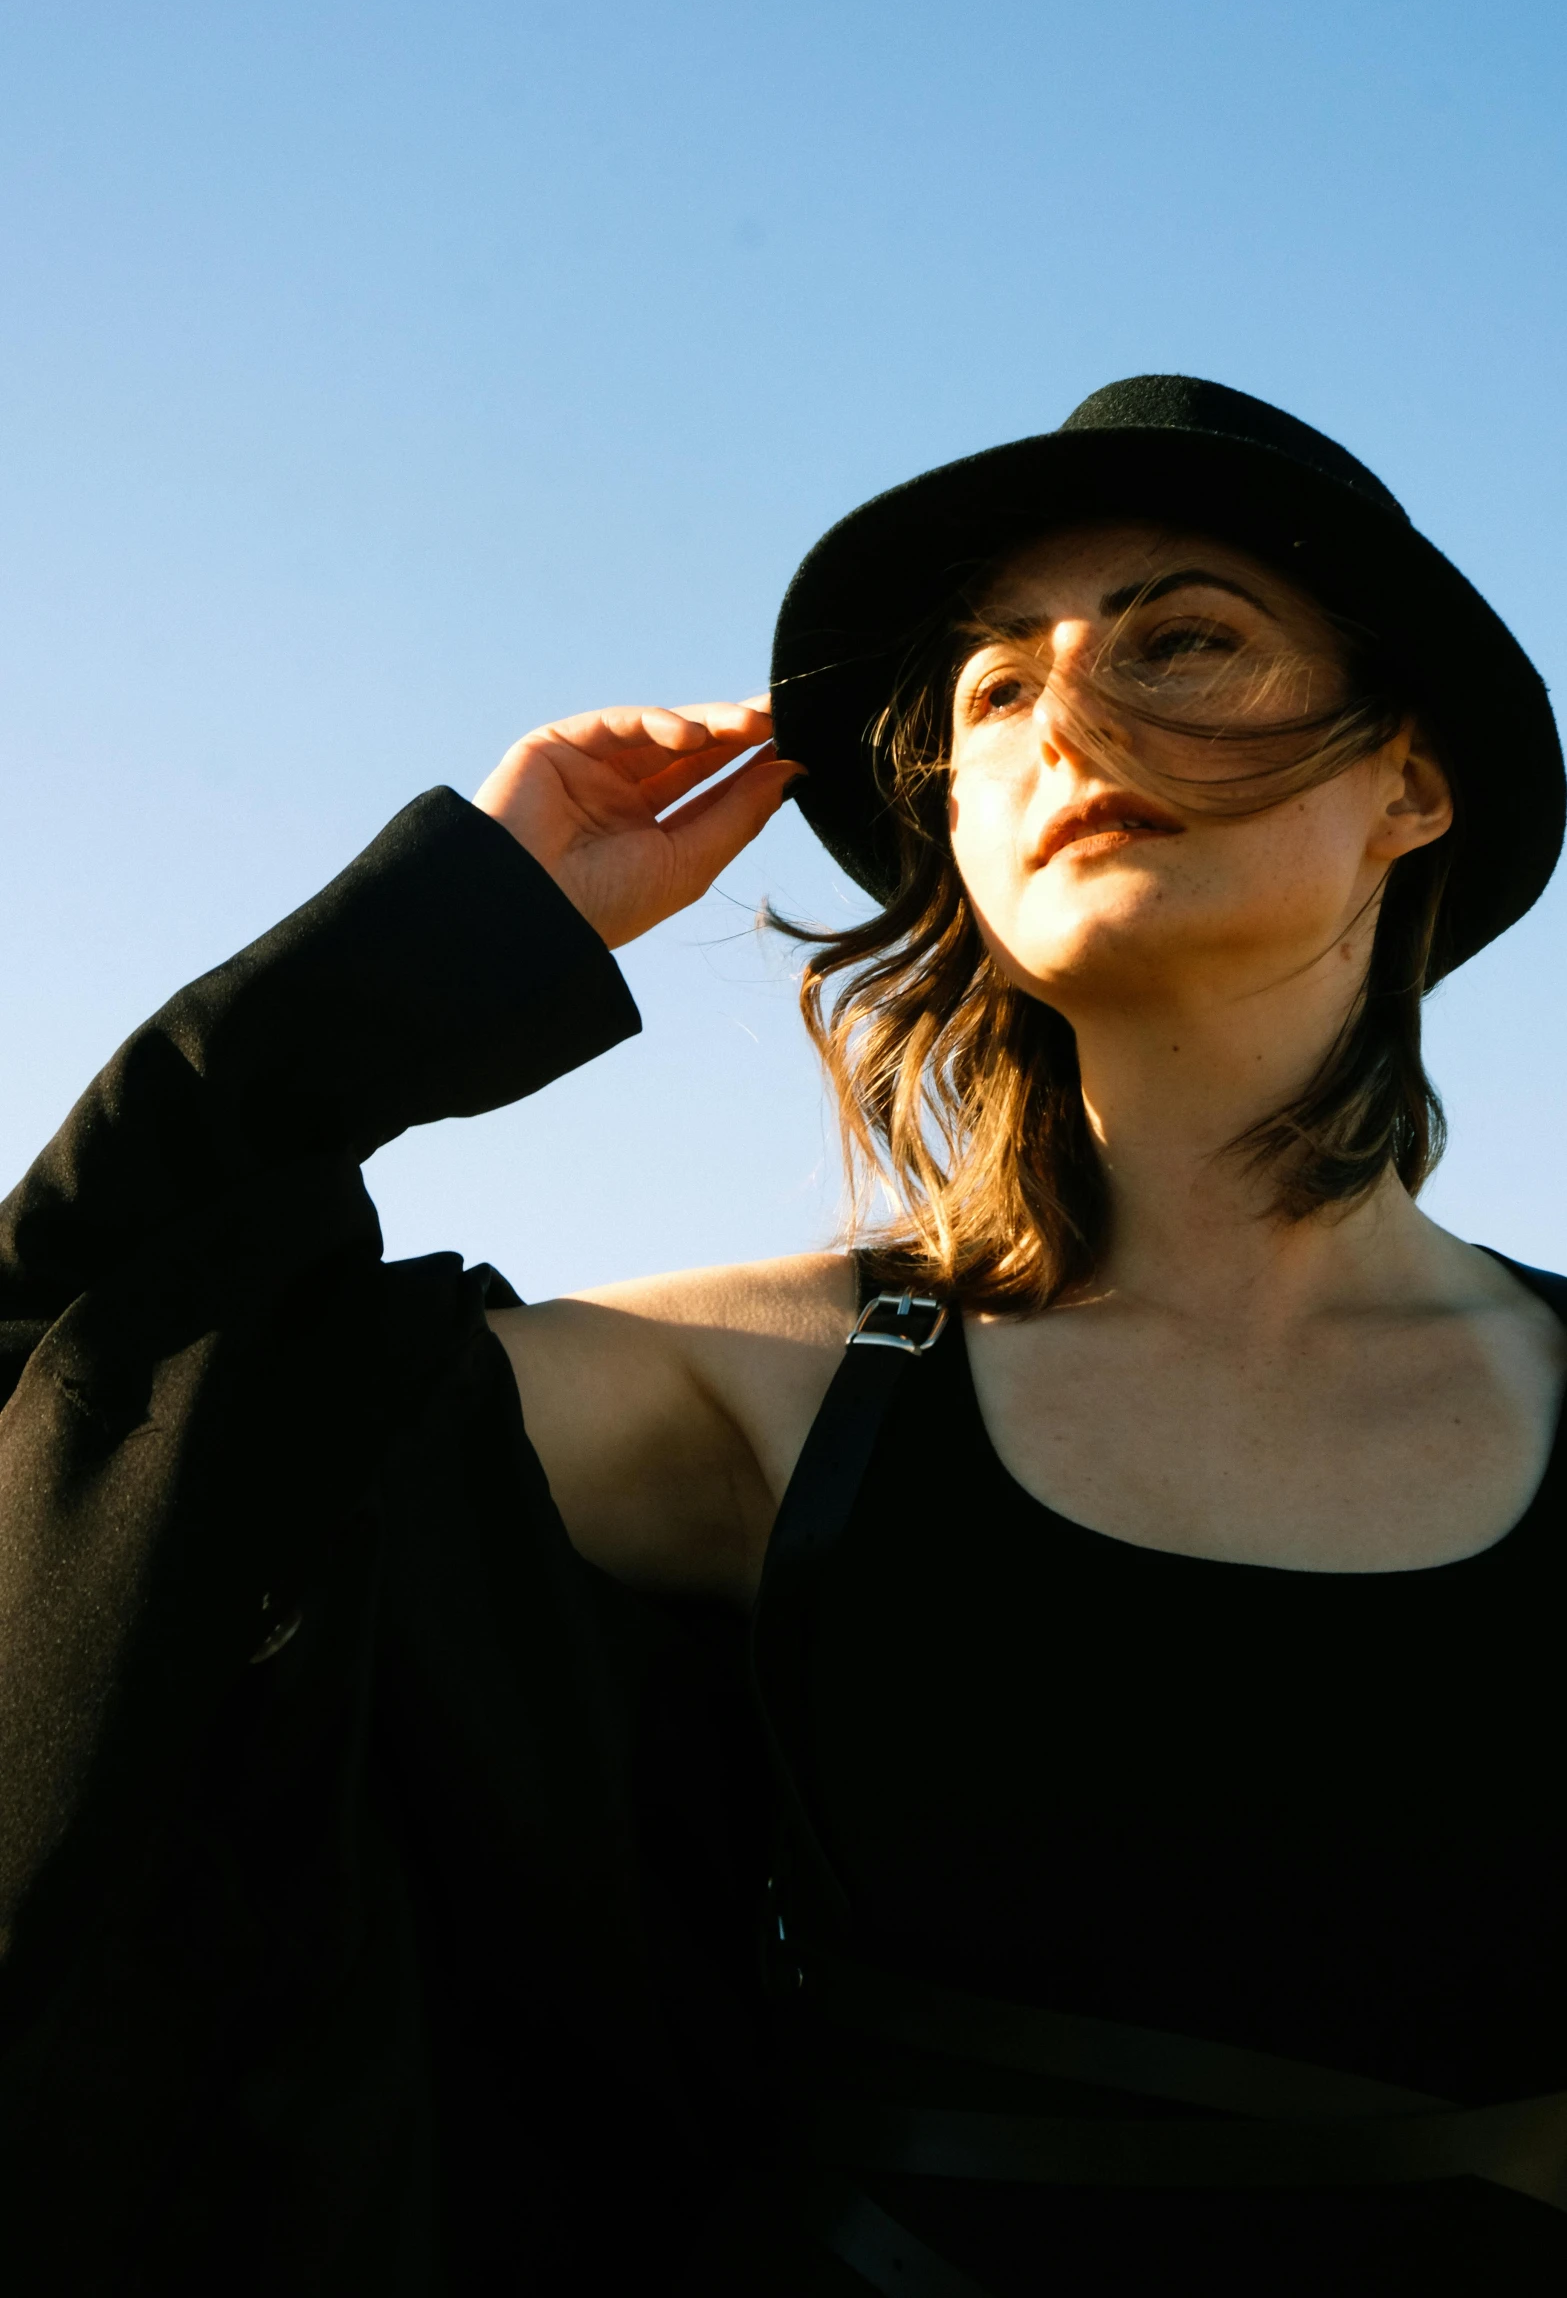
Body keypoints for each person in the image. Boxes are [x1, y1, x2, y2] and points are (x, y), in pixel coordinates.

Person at [1, 375, 1564, 2295]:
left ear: (1410, 779)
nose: (1070, 709)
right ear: (950, 838)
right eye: (995, 690)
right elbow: (80, 1382)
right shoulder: (772, 1393)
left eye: (1184, 637)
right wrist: (457, 933)